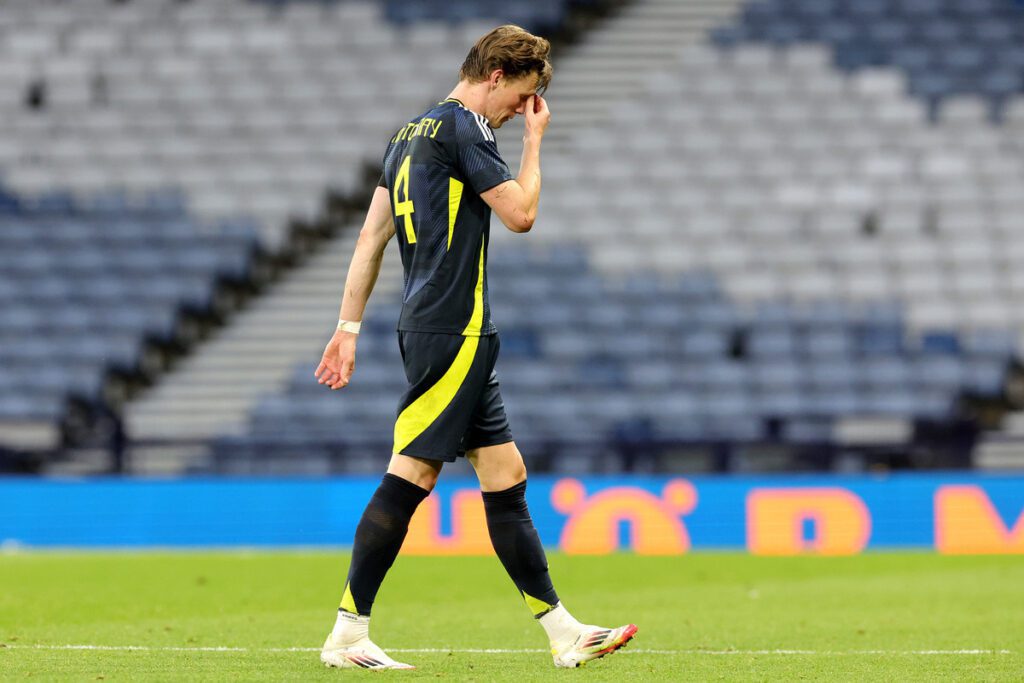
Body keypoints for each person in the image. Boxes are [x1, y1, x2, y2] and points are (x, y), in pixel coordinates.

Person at [314, 25, 637, 671]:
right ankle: (347, 632)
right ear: (495, 75)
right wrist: (535, 145)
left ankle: (564, 632)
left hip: (436, 325)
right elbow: (520, 213)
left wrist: (347, 328)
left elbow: (369, 239)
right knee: (413, 472)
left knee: (505, 474)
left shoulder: (406, 134)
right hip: (454, 327)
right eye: (521, 96)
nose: (522, 109)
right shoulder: (466, 128)